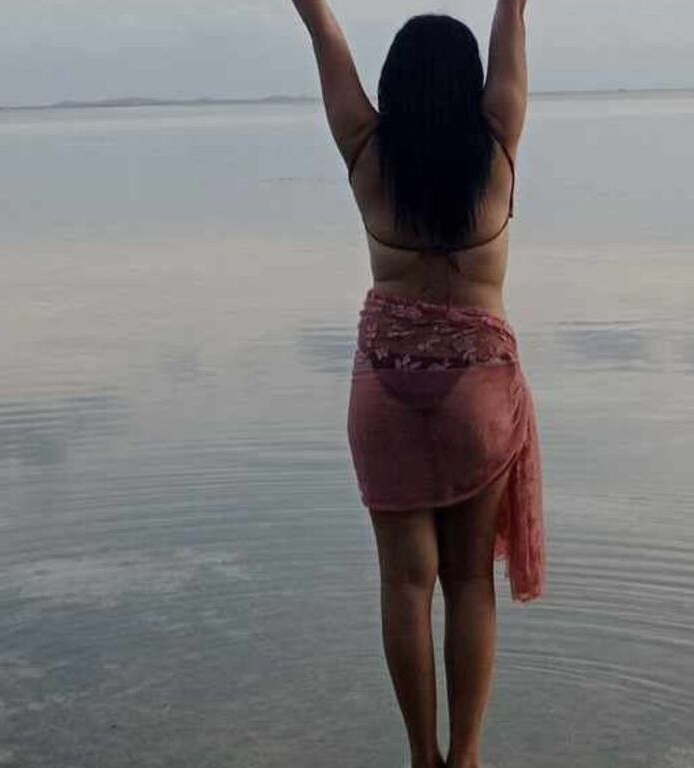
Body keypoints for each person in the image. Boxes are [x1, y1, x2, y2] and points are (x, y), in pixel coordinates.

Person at [289, 3, 543, 767]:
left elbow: (323, 31)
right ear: (471, 84)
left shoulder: (366, 149)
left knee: (405, 583)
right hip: (479, 387)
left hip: (386, 383)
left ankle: (420, 758)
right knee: (468, 581)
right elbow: (513, 14)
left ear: (393, 83)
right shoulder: (496, 142)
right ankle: (465, 759)